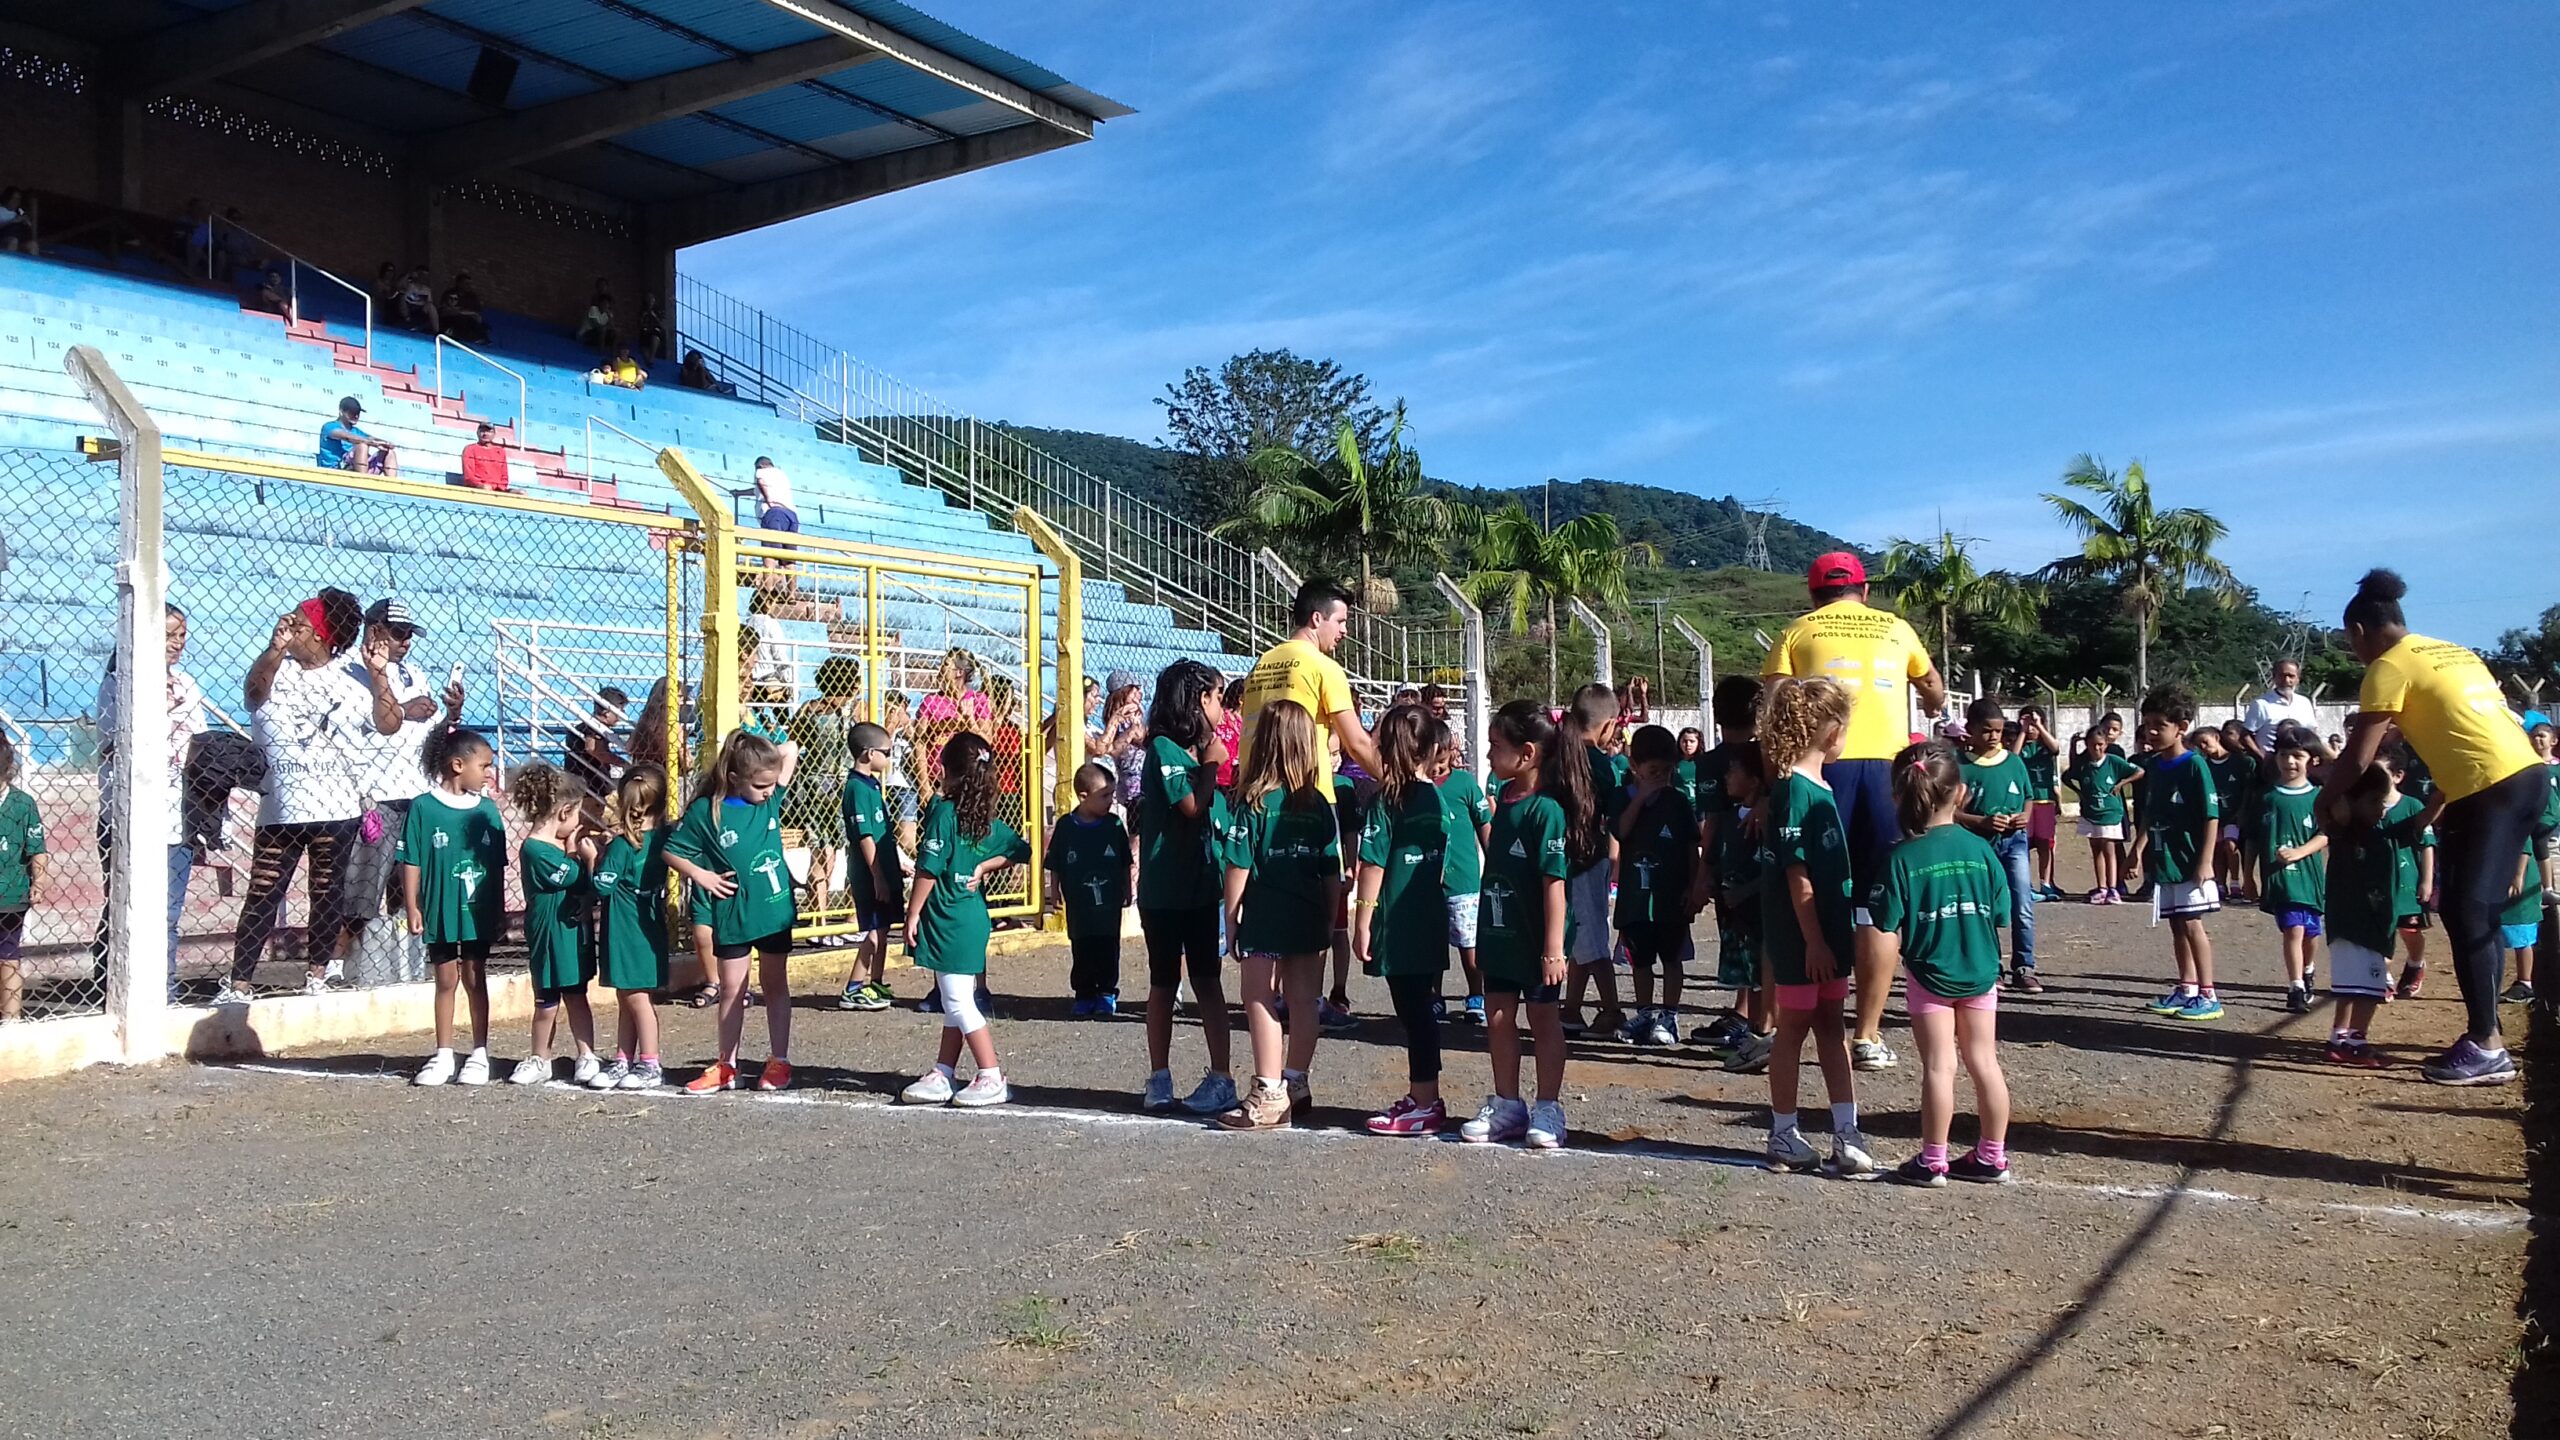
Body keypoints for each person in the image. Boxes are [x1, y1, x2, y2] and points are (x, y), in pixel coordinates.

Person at [2321, 570, 2543, 1085]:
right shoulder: (2451, 651)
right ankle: (2485, 1039)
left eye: (2351, 643)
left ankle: (2487, 1046)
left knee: (2468, 912)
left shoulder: (2386, 666)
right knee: (2475, 910)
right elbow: (2459, 718)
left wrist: (2324, 800)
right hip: (2526, 777)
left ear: (2359, 631)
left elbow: (2359, 756)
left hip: (2489, 787)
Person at [1761, 552, 1948, 1072]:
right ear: (1864, 592)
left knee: (1800, 886)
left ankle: (1781, 1025)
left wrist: (1769, 785)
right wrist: (1932, 709)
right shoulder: (1896, 628)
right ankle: (1866, 1034)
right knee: (1877, 905)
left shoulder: (1799, 630)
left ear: (1812, 594)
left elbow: (1774, 707)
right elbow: (1932, 688)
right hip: (1891, 773)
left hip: (1823, 766)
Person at [226, 590, 401, 1004]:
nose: (291, 627)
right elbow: (253, 693)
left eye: (301, 625)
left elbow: (389, 724)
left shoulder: (352, 674)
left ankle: (318, 973)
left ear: (322, 636)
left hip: (334, 806)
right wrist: (274, 649)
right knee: (264, 891)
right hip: (281, 804)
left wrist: (379, 677)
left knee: (327, 891)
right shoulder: (277, 667)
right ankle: (238, 982)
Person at [1456, 700, 1596, 1149]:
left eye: (1496, 746)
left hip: (1538, 938)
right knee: (1498, 1015)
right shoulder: (1505, 800)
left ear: (1528, 753)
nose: (1488, 755)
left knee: (1542, 1016)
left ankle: (1549, 1106)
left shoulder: (1547, 811)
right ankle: (1507, 1103)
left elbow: (1554, 884)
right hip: (1500, 933)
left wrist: (1554, 948)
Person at [1877, 743, 2016, 1187]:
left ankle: (1933, 1160)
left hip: (1929, 976)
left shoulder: (1901, 857)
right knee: (1984, 1061)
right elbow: (2001, 914)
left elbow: (1886, 923)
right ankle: (1993, 1156)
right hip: (1980, 972)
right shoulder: (1981, 849)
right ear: (1960, 794)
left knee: (1939, 1067)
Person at [1756, 676, 1874, 1177]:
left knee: (1832, 1027)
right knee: (1794, 1029)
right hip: (1805, 941)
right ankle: (1783, 1132)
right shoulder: (1793, 793)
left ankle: (1846, 1133)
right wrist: (1815, 942)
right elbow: (1796, 876)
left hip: (1828, 936)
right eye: (1844, 724)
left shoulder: (1822, 788)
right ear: (1828, 730)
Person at [1216, 701, 1343, 1130]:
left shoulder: (1254, 801)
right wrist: (1329, 917)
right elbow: (1330, 868)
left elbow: (1239, 866)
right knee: (1304, 1000)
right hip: (1308, 912)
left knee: (1259, 997)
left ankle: (1269, 1092)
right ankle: (1296, 1081)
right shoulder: (1319, 805)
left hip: (1267, 913)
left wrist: (1231, 919)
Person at [898, 733, 1030, 1107]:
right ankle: (944, 1071)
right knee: (955, 996)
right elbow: (1022, 849)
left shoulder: (943, 810)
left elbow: (928, 868)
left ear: (947, 770)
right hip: (969, 916)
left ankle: (990, 1075)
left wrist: (913, 913)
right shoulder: (983, 816)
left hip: (949, 917)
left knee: (957, 1000)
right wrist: (987, 864)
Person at [669, 730, 801, 1095]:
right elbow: (673, 850)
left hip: (773, 913)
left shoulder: (769, 801)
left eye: (773, 784)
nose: (770, 791)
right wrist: (702, 876)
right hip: (733, 915)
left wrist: (753, 747)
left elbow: (789, 749)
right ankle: (727, 1065)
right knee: (731, 988)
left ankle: (780, 1061)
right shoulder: (706, 811)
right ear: (733, 779)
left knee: (775, 984)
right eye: (760, 785)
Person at [338, 598, 456, 986]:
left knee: (408, 889)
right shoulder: (348, 672)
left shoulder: (413, 674)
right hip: (376, 794)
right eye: (398, 633)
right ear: (374, 631)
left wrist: (451, 714)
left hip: (415, 793)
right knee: (363, 889)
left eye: (409, 635)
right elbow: (363, 724)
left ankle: (402, 965)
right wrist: (404, 708)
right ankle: (339, 966)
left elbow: (434, 731)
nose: (406, 642)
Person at [1135, 659, 1235, 1114]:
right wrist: (1213, 768)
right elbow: (1193, 806)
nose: (1222, 708)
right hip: (1164, 892)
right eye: (1216, 697)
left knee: (1208, 981)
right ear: (1198, 700)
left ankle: (1221, 1076)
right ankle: (1159, 1076)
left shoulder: (1190, 753)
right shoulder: (1164, 749)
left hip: (1199, 888)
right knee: (1163, 981)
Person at [90, 603, 202, 999]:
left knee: (168, 912)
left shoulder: (187, 685)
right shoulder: (117, 683)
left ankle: (162, 992)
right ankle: (112, 980)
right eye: (169, 634)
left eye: (182, 635)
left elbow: (198, 745)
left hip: (176, 813)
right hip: (125, 815)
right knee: (125, 904)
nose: (177, 644)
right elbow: (115, 741)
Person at [1355, 706, 1454, 1137]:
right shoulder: (1436, 796)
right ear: (1432, 749)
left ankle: (1425, 1101)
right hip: (1430, 916)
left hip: (1400, 920)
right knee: (1422, 1009)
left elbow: (1372, 864)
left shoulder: (1386, 800)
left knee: (1414, 1013)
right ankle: (1424, 1096)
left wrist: (1363, 919)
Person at [403, 727, 507, 1086]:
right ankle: (444, 1053)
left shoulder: (488, 811)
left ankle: (479, 1053)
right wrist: (413, 905)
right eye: (485, 765)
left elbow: (496, 866)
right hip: (439, 910)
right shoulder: (422, 807)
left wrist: (499, 911)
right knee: (445, 979)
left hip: (476, 911)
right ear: (458, 765)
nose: (489, 773)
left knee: (475, 977)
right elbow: (412, 860)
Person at [2321, 758, 2432, 1067]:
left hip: (2368, 925)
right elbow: (2329, 796)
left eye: (2383, 801)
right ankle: (2354, 1043)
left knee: (2350, 986)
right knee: (2367, 990)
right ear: (2349, 802)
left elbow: (2422, 822)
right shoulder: (2343, 830)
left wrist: (2442, 796)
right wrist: (2341, 783)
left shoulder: (2386, 833)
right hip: (2357, 926)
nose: (2381, 808)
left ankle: (2339, 1039)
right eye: (2373, 801)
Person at [1238, 579, 1388, 789]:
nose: (1345, 631)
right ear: (1317, 619)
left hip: (1254, 792)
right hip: (1306, 794)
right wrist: (1396, 783)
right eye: (1340, 621)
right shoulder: (1323, 667)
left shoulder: (1261, 664)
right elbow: (1356, 744)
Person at [508, 763, 601, 1086]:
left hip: (571, 933)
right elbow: (574, 878)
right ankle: (540, 1057)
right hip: (549, 934)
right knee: (546, 1001)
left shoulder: (553, 847)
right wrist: (584, 856)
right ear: (564, 812)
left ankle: (586, 1055)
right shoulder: (536, 849)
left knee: (576, 995)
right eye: (576, 813)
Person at [2134, 685, 2224, 1022]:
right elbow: (2149, 814)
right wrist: (2136, 851)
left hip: (2189, 860)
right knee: (2176, 925)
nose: (2152, 732)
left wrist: (2205, 861)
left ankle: (2208, 993)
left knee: (2192, 924)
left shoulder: (2194, 765)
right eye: (2147, 724)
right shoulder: (2155, 766)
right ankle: (2186, 988)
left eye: (2160, 724)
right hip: (2165, 860)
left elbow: (2211, 815)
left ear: (2181, 727)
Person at [1614, 723, 1700, 1046]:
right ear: (1635, 767)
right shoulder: (1623, 797)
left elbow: (1692, 846)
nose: (1660, 778)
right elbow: (1620, 832)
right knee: (1641, 960)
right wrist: (1640, 800)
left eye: (1666, 771)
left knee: (1672, 958)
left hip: (1670, 897)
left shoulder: (1678, 802)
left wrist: (1692, 886)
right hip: (1636, 899)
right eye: (1652, 771)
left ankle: (1670, 1015)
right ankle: (1645, 1013)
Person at [589, 765, 671, 1090]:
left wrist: (591, 856)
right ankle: (624, 1058)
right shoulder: (664, 836)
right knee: (628, 997)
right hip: (645, 926)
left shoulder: (624, 845)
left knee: (636, 998)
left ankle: (650, 1062)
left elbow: (603, 886)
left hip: (628, 929)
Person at [1955, 697, 2039, 994]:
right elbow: (1950, 811)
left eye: (1999, 732)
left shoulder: (2014, 762)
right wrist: (1981, 822)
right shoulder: (1960, 766)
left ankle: (2024, 966)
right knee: (1984, 906)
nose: (1994, 737)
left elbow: (2028, 797)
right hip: (1978, 845)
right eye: (1987, 731)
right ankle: (1992, 967)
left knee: (2022, 904)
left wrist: (2024, 816)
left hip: (2014, 842)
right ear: (1970, 730)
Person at [1557, 683, 1627, 1035]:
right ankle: (1612, 1009)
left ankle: (1570, 1008)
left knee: (1580, 934)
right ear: (1608, 725)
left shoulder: (1557, 756)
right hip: (1590, 858)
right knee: (1594, 938)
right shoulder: (1602, 765)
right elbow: (1615, 817)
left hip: (1563, 860)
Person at [835, 721, 907, 1013]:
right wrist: (877, 875)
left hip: (885, 866)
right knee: (875, 930)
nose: (889, 758)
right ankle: (853, 987)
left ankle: (875, 981)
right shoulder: (856, 788)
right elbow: (865, 836)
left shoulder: (872, 784)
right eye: (886, 752)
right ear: (867, 754)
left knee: (884, 926)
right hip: (870, 871)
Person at [1048, 762, 1130, 1017]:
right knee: (1082, 948)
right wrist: (1055, 890)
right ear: (1083, 796)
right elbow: (1056, 862)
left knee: (1108, 947)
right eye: (1104, 796)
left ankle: (1106, 993)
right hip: (1080, 907)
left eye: (1112, 795)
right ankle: (1083, 994)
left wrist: (1127, 889)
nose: (1110, 801)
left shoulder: (1114, 826)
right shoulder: (1065, 826)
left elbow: (1125, 861)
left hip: (1108, 906)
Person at [786, 661, 860, 932]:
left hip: (818, 783)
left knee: (824, 852)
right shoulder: (851, 709)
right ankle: (831, 919)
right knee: (836, 851)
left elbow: (795, 739)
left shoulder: (812, 709)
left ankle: (822, 919)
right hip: (834, 783)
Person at [2258, 738, 2329, 1013]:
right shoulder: (2267, 797)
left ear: (2312, 761)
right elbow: (2252, 838)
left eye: (2297, 756)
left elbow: (2326, 834)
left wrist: (2300, 851)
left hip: (2310, 877)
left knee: (2311, 932)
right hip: (2281, 879)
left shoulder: (2319, 797)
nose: (2290, 761)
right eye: (2284, 755)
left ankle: (2308, 969)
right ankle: (2296, 986)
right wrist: (2248, 876)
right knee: (2293, 928)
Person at [1433, 729, 1491, 1026]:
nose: (1438, 767)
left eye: (1443, 759)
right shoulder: (1416, 786)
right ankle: (1434, 997)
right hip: (1427, 883)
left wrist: (1493, 862)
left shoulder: (1465, 784)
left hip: (1464, 881)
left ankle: (1476, 996)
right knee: (1431, 944)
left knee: (1469, 943)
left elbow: (1484, 824)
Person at [0, 734, 47, 1022]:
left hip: (10, 895)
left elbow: (37, 849)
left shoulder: (21, 804)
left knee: (8, 954)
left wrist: (39, 882)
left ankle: (11, 1020)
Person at [2063, 730, 2139, 904]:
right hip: (2090, 812)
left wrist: (2121, 783)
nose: (2097, 748)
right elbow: (2068, 775)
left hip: (2110, 813)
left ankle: (2113, 888)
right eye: (2092, 745)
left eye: (2100, 745)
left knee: (2109, 850)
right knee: (2096, 849)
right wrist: (2079, 792)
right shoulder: (2084, 764)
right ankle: (2101, 887)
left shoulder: (2113, 761)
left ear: (2106, 745)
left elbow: (2139, 771)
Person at [2015, 705, 2064, 901]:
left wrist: (2039, 726)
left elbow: (2056, 748)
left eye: (2034, 724)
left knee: (2046, 844)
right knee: (2023, 844)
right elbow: (2013, 756)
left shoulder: (2045, 746)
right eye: (2028, 724)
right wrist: (2022, 731)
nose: (2032, 729)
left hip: (2045, 800)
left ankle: (2046, 882)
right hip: (2026, 802)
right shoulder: (2021, 745)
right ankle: (2025, 884)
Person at [2244, 659, 2321, 754]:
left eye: (2291, 676)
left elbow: (2312, 732)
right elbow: (2245, 736)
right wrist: (2263, 758)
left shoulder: (2304, 703)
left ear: (2298, 679)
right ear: (2274, 677)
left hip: (2300, 762)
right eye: (2282, 675)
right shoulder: (2261, 704)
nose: (2286, 680)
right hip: (2272, 762)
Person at [563, 688, 629, 797]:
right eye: (619, 711)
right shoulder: (592, 726)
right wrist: (622, 763)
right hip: (588, 784)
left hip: (586, 781)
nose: (622, 715)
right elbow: (593, 749)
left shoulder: (591, 726)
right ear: (607, 712)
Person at [317, 397, 394, 476]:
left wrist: (386, 443)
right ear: (341, 412)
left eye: (358, 413)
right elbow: (347, 437)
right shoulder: (329, 426)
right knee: (362, 446)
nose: (356, 416)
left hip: (353, 468)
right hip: (335, 470)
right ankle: (362, 480)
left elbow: (371, 438)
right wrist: (371, 443)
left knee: (389, 451)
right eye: (352, 413)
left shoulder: (356, 431)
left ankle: (392, 485)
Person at [458, 422, 511, 492]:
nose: (485, 434)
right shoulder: (470, 449)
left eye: (489, 431)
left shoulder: (501, 452)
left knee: (521, 493)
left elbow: (505, 477)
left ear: (494, 434)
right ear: (477, 433)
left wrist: (500, 487)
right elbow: (469, 477)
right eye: (482, 431)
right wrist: (481, 485)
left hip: (498, 489)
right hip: (478, 488)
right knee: (486, 488)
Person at [751, 456, 798, 534]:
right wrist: (739, 492)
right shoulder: (782, 475)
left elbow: (761, 482)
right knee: (789, 544)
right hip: (791, 515)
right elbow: (757, 490)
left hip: (774, 513)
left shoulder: (761, 471)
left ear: (761, 465)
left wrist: (768, 500)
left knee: (773, 543)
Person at [438, 273, 487, 343]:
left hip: (468, 319)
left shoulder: (472, 296)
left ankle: (481, 341)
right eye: (466, 283)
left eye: (469, 284)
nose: (468, 286)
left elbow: (476, 313)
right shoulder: (449, 293)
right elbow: (445, 310)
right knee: (461, 319)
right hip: (450, 317)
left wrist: (463, 312)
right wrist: (462, 312)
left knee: (483, 326)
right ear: (458, 283)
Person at [392, 266, 440, 336]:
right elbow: (398, 286)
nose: (423, 277)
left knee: (431, 306)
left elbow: (429, 303)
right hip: (407, 308)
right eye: (422, 274)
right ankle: (407, 321)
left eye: (426, 275)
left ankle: (437, 333)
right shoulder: (409, 285)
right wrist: (409, 274)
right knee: (402, 297)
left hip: (419, 310)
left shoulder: (427, 290)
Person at [575, 282, 615, 351]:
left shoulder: (608, 313)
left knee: (615, 332)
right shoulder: (593, 309)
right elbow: (595, 324)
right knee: (603, 330)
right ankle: (600, 350)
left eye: (607, 304)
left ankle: (613, 352)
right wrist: (605, 328)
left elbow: (612, 326)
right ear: (600, 303)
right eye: (604, 303)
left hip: (599, 334)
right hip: (587, 333)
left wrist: (610, 318)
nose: (605, 305)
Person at [0, 186, 34, 253]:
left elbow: (30, 228)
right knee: (13, 241)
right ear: (7, 198)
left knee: (33, 245)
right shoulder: (1, 210)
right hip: (3, 238)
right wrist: (13, 221)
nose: (16, 201)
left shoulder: (20, 212)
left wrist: (26, 221)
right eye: (14, 198)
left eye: (18, 199)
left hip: (19, 239)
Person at [636, 294, 667, 360]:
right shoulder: (643, 310)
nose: (650, 301)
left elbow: (662, 325)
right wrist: (643, 317)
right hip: (645, 332)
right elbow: (639, 324)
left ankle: (652, 357)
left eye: (651, 299)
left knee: (656, 334)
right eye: (648, 299)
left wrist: (654, 316)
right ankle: (647, 359)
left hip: (655, 331)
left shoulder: (658, 311)